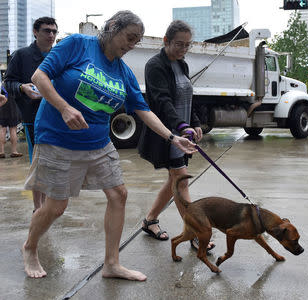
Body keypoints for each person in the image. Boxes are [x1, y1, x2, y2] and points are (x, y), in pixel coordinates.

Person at [22, 11, 196, 280]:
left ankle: (111, 264)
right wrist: (65, 108)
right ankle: (30, 248)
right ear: (113, 27)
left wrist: (173, 138)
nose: (131, 45)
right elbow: (39, 77)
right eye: (129, 37)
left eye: (136, 41)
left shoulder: (123, 72)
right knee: (56, 207)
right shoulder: (78, 44)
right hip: (58, 138)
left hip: (98, 143)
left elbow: (143, 109)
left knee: (119, 195)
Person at [138, 20, 214, 252]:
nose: (183, 49)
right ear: (166, 41)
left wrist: (195, 123)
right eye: (179, 44)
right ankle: (194, 233)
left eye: (187, 45)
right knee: (181, 181)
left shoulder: (182, 65)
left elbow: (186, 97)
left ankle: (150, 220)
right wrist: (180, 126)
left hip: (183, 132)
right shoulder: (155, 66)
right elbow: (162, 101)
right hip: (167, 134)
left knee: (174, 180)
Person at [4, 17, 58, 211]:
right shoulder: (21, 56)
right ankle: (38, 207)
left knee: (52, 163)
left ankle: (47, 205)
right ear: (35, 32)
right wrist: (22, 87)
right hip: (33, 118)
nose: (51, 35)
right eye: (46, 30)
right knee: (39, 163)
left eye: (54, 31)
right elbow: (8, 83)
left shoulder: (58, 55)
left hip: (57, 116)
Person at [0, 85, 22, 158]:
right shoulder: (12, 85)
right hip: (13, 108)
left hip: (2, 108)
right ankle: (14, 151)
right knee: (13, 130)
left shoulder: (2, 85)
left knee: (2, 129)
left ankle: (1, 151)